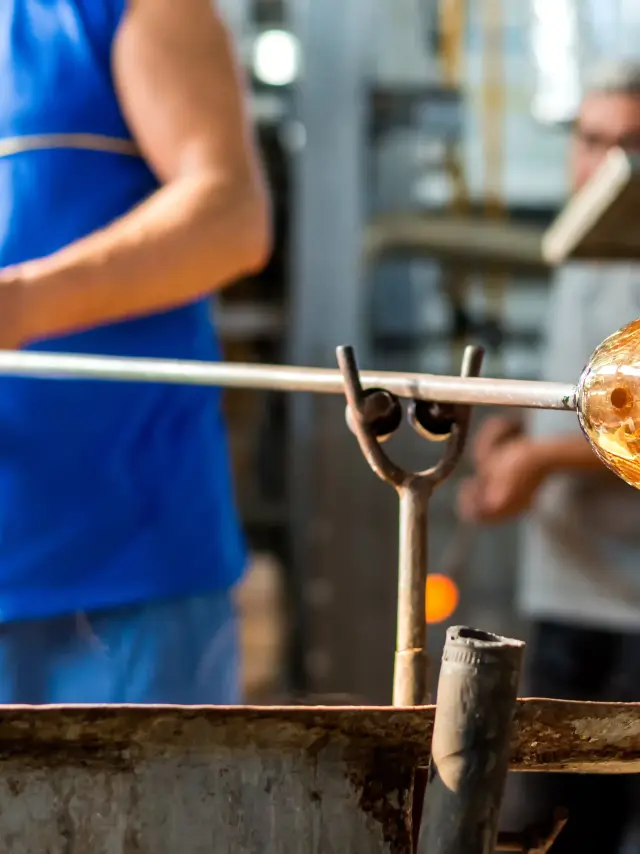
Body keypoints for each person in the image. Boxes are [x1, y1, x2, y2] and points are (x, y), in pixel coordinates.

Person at [0, 0, 270, 704]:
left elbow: (229, 214)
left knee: (152, 817)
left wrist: (19, 303)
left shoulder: (128, 9)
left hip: (122, 571)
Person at [458, 59, 640, 854]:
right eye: (591, 138)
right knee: (566, 823)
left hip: (636, 600)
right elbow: (584, 394)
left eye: (629, 144)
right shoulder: (581, 251)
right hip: (568, 584)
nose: (604, 162)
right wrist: (510, 437)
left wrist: (538, 465)